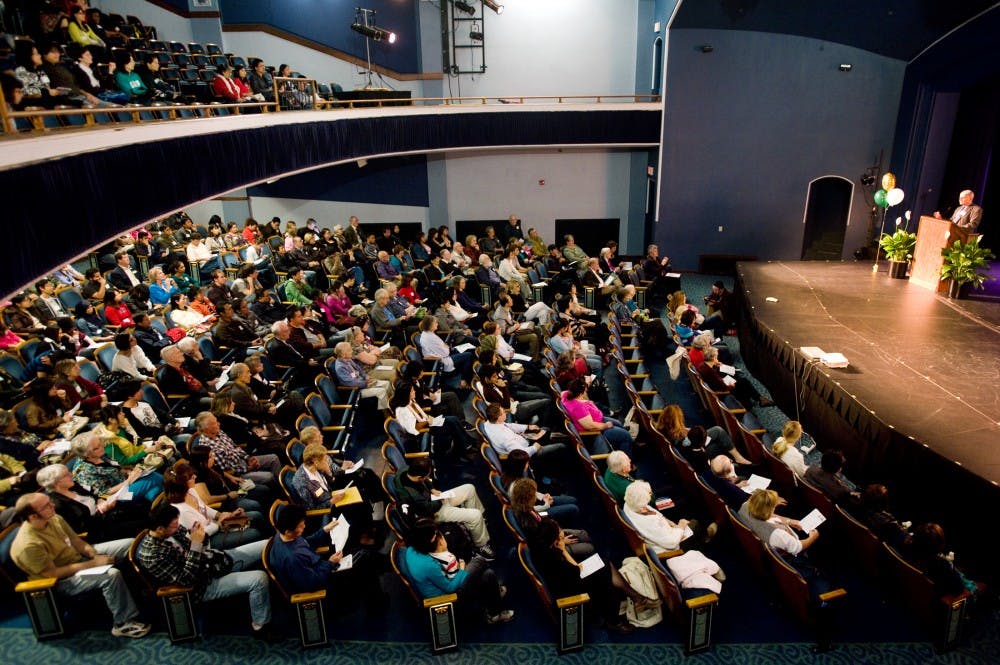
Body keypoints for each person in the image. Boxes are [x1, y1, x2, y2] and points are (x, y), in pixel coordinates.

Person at [10, 493, 151, 638]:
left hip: (78, 559)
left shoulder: (54, 518)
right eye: (46, 506)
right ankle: (123, 623)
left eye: (49, 502)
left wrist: (92, 554)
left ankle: (144, 586)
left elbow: (76, 541)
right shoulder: (28, 545)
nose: (53, 505)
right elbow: (52, 574)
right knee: (111, 576)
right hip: (59, 581)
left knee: (129, 544)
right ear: (33, 516)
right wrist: (93, 564)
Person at [135, 503, 279, 642]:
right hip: (203, 585)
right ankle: (260, 626)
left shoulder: (172, 529)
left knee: (269, 544)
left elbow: (199, 545)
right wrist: (196, 544)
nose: (178, 526)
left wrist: (199, 536)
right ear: (160, 528)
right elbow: (186, 580)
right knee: (259, 579)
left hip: (216, 561)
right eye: (174, 525)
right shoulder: (151, 555)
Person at [529, 517, 637, 634]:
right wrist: (563, 550)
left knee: (604, 564)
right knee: (604, 576)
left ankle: (629, 595)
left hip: (565, 579)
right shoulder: (552, 558)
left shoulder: (540, 546)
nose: (562, 532)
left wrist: (560, 547)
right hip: (568, 591)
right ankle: (613, 619)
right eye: (559, 531)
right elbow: (577, 569)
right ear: (554, 539)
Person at [269, 503, 387, 609]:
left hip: (319, 566)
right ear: (288, 531)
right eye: (300, 526)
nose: (304, 527)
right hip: (323, 582)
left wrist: (324, 530)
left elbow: (306, 543)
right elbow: (312, 583)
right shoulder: (292, 558)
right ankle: (378, 602)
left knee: (358, 552)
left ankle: (383, 569)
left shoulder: (284, 535)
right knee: (364, 561)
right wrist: (330, 563)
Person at [403, 518, 513, 624]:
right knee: (479, 560)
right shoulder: (428, 565)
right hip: (448, 599)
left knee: (488, 574)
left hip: (445, 583)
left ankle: (494, 613)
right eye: (436, 534)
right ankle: (494, 596)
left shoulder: (410, 550)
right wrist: (461, 570)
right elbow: (450, 588)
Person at [391, 457, 495, 559]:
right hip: (433, 513)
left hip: (434, 499)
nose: (428, 477)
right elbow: (429, 508)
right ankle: (480, 546)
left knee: (469, 488)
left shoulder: (406, 470)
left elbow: (426, 480)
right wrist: (440, 500)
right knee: (475, 515)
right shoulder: (410, 495)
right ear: (419, 477)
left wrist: (431, 489)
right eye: (426, 476)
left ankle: (477, 526)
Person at [37, 463, 148, 542]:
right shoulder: (58, 505)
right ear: (56, 483)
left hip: (110, 513)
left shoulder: (73, 485)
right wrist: (102, 511)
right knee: (142, 523)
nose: (71, 475)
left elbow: (94, 495)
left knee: (144, 506)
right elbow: (81, 528)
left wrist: (100, 501)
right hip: (100, 529)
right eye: (66, 475)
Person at [69, 433, 163, 504]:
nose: (102, 447)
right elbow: (103, 494)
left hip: (124, 483)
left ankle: (162, 504)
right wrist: (129, 481)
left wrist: (128, 472)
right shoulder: (84, 472)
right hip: (114, 497)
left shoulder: (101, 454)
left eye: (100, 444)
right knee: (151, 480)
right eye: (96, 448)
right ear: (87, 454)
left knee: (153, 487)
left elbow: (116, 468)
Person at [390, 382, 475, 459]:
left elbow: (421, 415)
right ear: (406, 394)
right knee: (451, 426)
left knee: (454, 419)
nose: (414, 392)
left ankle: (466, 443)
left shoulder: (410, 400)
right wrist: (428, 421)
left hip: (427, 424)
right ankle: (463, 449)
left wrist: (429, 418)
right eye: (412, 391)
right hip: (421, 434)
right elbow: (413, 429)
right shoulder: (402, 411)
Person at [624, 480, 706, 554]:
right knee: (695, 523)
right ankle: (703, 546)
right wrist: (681, 526)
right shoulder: (649, 522)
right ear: (642, 508)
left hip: (666, 534)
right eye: (649, 494)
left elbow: (655, 513)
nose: (651, 494)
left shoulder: (630, 503)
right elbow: (672, 544)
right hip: (672, 548)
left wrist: (671, 523)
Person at [657, 404, 751, 465]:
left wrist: (685, 431)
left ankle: (729, 461)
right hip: (694, 454)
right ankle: (736, 459)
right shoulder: (680, 438)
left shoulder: (662, 428)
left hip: (688, 451)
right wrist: (689, 433)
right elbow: (692, 444)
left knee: (718, 438)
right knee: (718, 433)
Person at [509, 476, 589, 548]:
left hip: (553, 531)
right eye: (534, 495)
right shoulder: (531, 524)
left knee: (584, 535)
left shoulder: (525, 507)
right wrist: (561, 541)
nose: (536, 498)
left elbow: (542, 520)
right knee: (589, 546)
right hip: (555, 543)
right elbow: (545, 542)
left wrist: (557, 528)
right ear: (528, 500)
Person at [561, 378, 632, 455]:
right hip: (597, 430)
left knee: (618, 423)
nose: (586, 393)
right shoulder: (578, 408)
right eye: (585, 391)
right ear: (580, 394)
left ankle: (626, 443)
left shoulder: (566, 394)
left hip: (599, 419)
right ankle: (627, 461)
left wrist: (586, 402)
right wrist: (606, 425)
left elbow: (567, 396)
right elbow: (590, 426)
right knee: (626, 436)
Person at [697, 347, 774, 408]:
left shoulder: (703, 365)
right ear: (713, 357)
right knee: (743, 382)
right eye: (716, 356)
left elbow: (715, 376)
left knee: (738, 378)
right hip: (722, 390)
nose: (717, 358)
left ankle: (759, 398)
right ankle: (758, 399)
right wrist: (731, 385)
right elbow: (723, 386)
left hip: (718, 383)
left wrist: (717, 365)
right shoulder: (710, 371)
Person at [333, 341, 392, 410]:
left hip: (362, 381)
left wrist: (366, 376)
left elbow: (358, 369)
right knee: (382, 391)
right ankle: (385, 413)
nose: (352, 351)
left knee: (387, 384)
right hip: (355, 390)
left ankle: (390, 405)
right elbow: (350, 382)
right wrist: (366, 383)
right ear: (343, 354)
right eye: (349, 350)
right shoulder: (340, 367)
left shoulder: (348, 359)